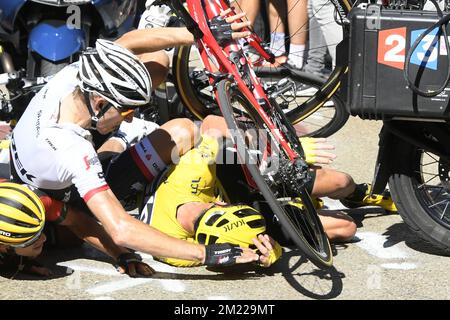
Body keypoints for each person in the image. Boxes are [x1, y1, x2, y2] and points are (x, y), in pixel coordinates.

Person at [9, 14, 264, 269]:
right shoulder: (73, 152)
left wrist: (197, 35)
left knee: (158, 60)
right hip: (67, 198)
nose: (130, 117)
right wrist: (206, 253)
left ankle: (121, 139)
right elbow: (121, 229)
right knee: (182, 131)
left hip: (51, 166)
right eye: (127, 110)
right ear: (100, 103)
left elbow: (127, 42)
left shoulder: (73, 78)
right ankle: (122, 141)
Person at [135, 115, 397, 268]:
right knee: (345, 228)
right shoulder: (184, 247)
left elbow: (212, 122)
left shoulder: (193, 173)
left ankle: (357, 193)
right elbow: (221, 257)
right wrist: (270, 251)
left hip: (232, 175)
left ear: (218, 206)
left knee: (339, 182)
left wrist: (270, 150)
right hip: (248, 219)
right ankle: (299, 204)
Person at [0, 181, 154, 278]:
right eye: (33, 239)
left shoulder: (38, 201)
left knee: (70, 237)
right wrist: (13, 263)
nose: (43, 238)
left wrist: (121, 254)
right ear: (5, 247)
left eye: (40, 233)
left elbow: (80, 222)